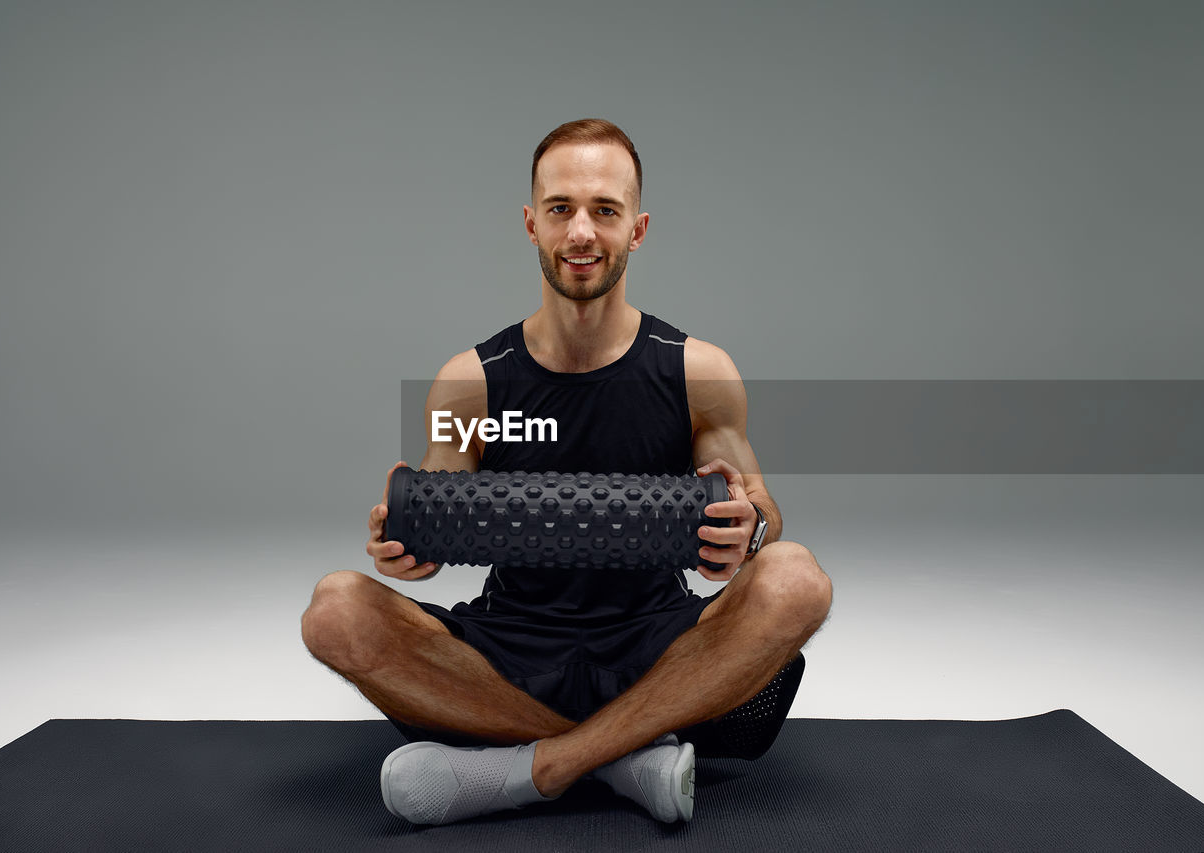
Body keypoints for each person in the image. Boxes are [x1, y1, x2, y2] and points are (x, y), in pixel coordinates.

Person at [300, 119, 833, 826]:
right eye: (561, 209)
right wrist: (404, 545)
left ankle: (536, 768)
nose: (581, 232)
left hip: (657, 636)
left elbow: (761, 506)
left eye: (604, 211)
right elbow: (435, 517)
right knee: (334, 607)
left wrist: (753, 525)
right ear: (531, 223)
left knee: (797, 579)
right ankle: (622, 758)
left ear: (637, 230)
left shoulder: (697, 372)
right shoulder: (471, 385)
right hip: (509, 644)